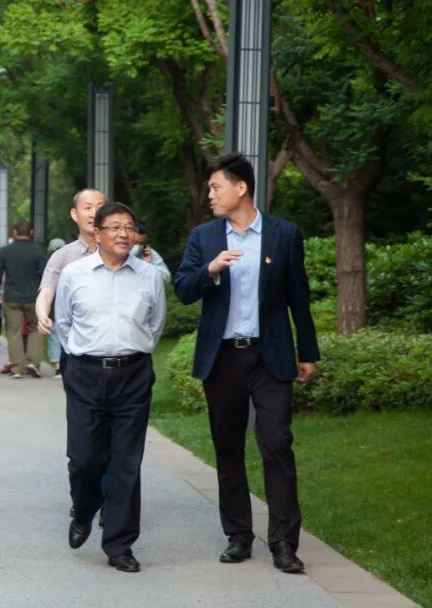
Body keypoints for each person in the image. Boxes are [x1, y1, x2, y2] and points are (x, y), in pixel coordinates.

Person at [174, 152, 320, 574]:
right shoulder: (204, 237)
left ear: (241, 188)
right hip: (222, 358)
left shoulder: (283, 234)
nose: (210, 195)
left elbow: (298, 296)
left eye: (216, 187)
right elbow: (183, 289)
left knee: (276, 443)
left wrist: (307, 352)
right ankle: (238, 535)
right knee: (228, 448)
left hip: (269, 356)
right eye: (209, 188)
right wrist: (210, 270)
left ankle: (284, 543)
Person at [58, 202, 165, 574]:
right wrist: (84, 356)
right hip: (86, 374)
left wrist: (130, 352)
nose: (123, 234)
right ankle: (84, 510)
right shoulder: (74, 274)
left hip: (133, 375)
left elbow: (155, 325)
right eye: (115, 227)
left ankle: (120, 544)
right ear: (98, 232)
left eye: (129, 227)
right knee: (84, 459)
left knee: (126, 463)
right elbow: (64, 324)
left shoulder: (149, 276)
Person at [36, 189, 106, 380]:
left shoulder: (120, 253)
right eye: (87, 208)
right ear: (75, 214)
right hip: (76, 350)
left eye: (99, 207)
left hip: (116, 349)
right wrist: (43, 316)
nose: (93, 213)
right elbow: (46, 292)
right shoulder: (62, 256)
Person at [0, 220, 47, 378]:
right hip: (33, 297)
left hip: (12, 297)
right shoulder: (38, 251)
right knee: (35, 329)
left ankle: (16, 368)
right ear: (31, 232)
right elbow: (46, 274)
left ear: (15, 233)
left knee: (13, 331)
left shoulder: (6, 251)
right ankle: (33, 363)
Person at [43, 238, 66, 375]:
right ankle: (65, 363)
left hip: (52, 304)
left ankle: (57, 365)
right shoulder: (72, 263)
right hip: (66, 304)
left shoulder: (49, 265)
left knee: (54, 335)